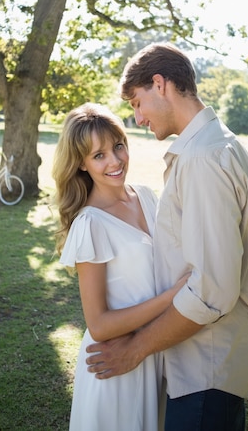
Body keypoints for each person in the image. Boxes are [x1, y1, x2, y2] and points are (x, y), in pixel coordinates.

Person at [86, 44, 248, 431]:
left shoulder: (203, 159)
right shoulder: (220, 144)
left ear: (159, 84)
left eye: (138, 103)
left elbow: (210, 292)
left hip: (206, 368)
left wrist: (134, 350)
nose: (137, 118)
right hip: (213, 366)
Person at [52, 102, 187, 431]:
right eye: (98, 156)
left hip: (156, 349)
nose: (114, 161)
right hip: (114, 366)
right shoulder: (90, 224)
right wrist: (173, 297)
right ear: (82, 165)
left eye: (118, 146)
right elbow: (98, 325)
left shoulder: (147, 196)